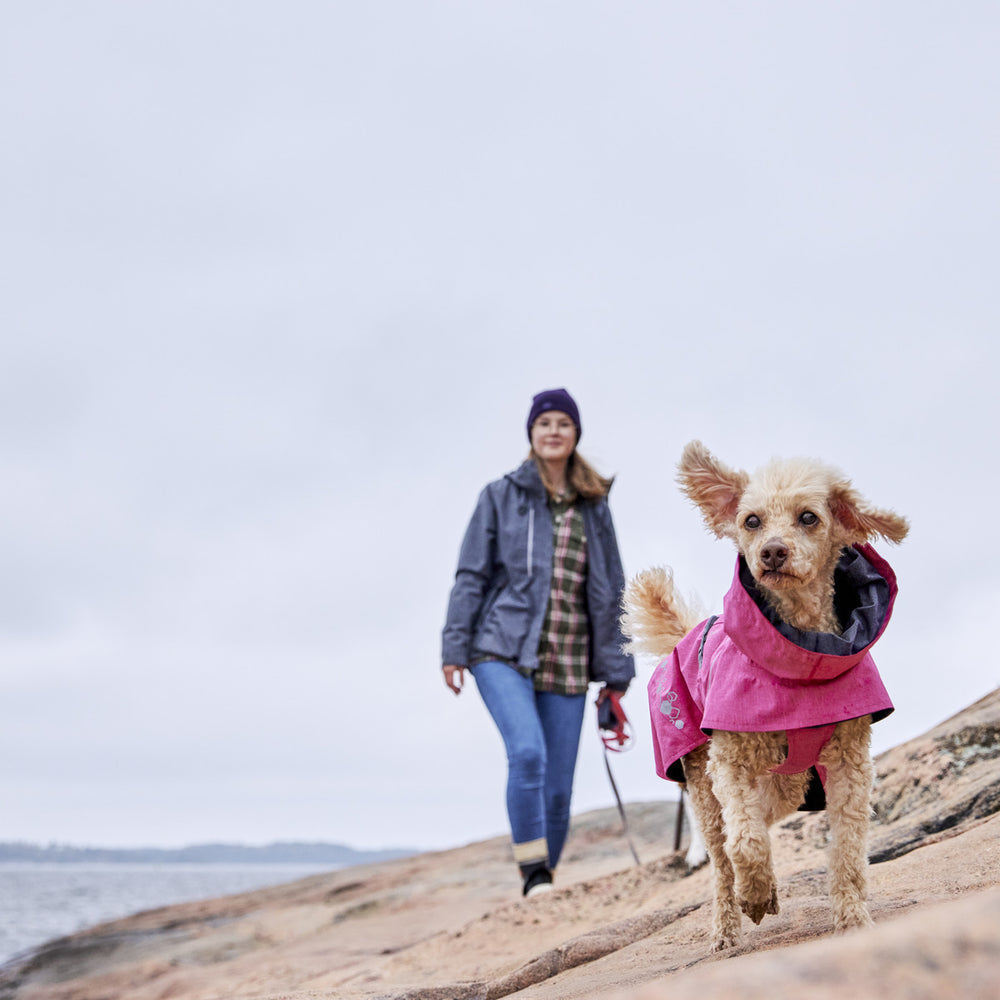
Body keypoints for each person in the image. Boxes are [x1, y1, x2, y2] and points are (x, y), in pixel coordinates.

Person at [442, 388, 635, 897]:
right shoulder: (499, 495)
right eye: (544, 422)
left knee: (558, 787)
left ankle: (546, 874)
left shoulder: (594, 506)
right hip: (500, 648)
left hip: (569, 658)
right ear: (531, 432)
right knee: (528, 753)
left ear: (575, 435)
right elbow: (470, 576)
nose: (553, 430)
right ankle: (533, 876)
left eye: (563, 423)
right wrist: (454, 647)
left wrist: (617, 672)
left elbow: (612, 587)